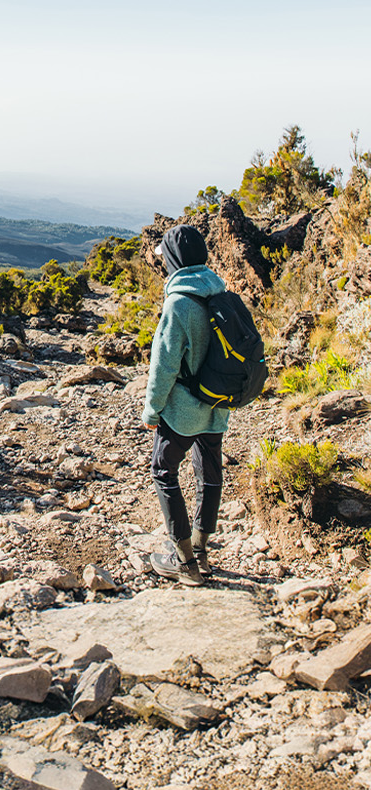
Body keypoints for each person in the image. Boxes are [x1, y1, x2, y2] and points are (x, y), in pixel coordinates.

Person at [142, 224, 230, 586]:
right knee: (209, 474)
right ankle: (202, 550)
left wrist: (151, 410)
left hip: (182, 411)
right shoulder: (221, 293)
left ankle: (184, 562)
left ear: (174, 260)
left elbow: (163, 365)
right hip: (217, 406)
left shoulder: (178, 303)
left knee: (163, 472)